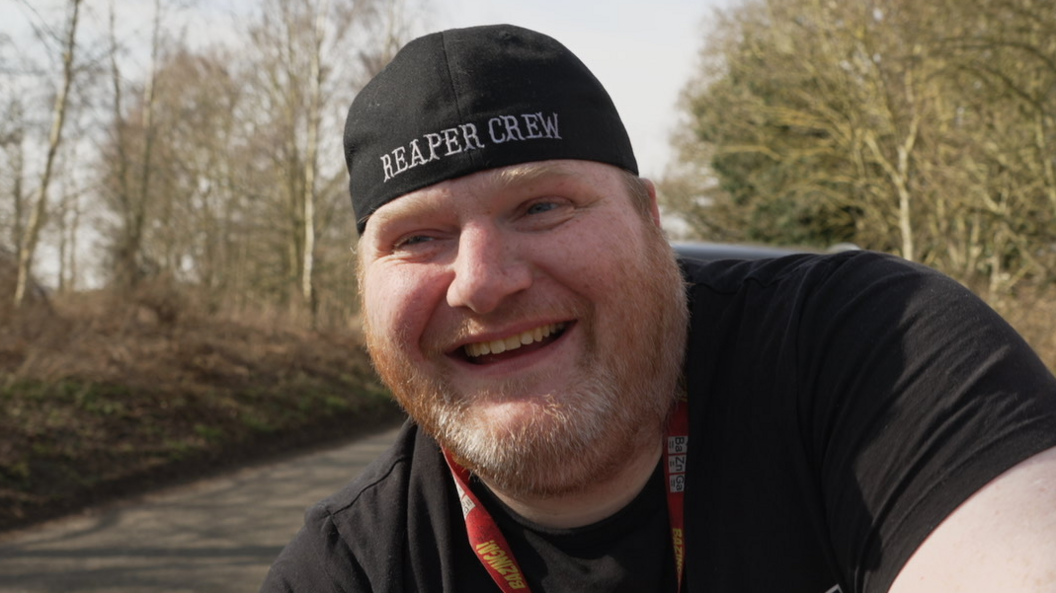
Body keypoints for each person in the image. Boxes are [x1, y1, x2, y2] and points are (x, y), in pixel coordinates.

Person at [260, 24, 1056, 592]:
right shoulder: (351, 567)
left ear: (649, 218)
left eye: (542, 207)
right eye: (417, 237)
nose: (482, 281)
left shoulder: (878, 352)